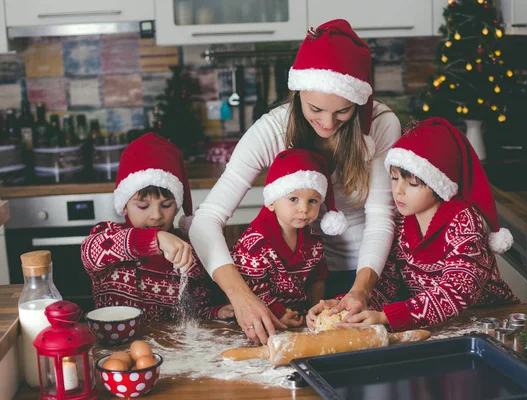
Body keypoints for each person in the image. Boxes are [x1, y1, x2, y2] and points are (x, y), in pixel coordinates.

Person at [189, 19, 401, 343]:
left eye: (343, 112)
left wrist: (361, 289)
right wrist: (241, 296)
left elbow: (381, 218)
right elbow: (205, 219)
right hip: (298, 282)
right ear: (299, 89)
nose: (328, 123)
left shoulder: (382, 125)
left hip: (368, 270)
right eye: (316, 108)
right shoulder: (272, 130)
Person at [314, 118, 520, 331]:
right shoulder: (402, 221)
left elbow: (457, 290)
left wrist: (386, 317)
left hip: (493, 320)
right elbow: (387, 282)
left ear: (439, 183)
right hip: (443, 324)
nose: (398, 190)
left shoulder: (464, 221)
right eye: (394, 178)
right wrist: (346, 307)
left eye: (412, 183)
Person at [81, 133, 234, 322]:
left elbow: (195, 311)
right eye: (143, 206)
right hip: (115, 345)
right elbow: (90, 253)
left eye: (166, 205)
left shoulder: (186, 251)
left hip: (168, 348)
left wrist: (216, 312)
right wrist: (157, 238)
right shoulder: (108, 236)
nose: (156, 215)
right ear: (124, 205)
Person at [231, 149, 345, 328]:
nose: (304, 209)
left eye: (313, 201)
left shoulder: (313, 239)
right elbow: (253, 289)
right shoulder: (254, 244)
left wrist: (314, 309)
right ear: (271, 201)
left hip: (300, 317)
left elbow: (318, 277)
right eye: (293, 199)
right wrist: (279, 314)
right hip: (263, 318)